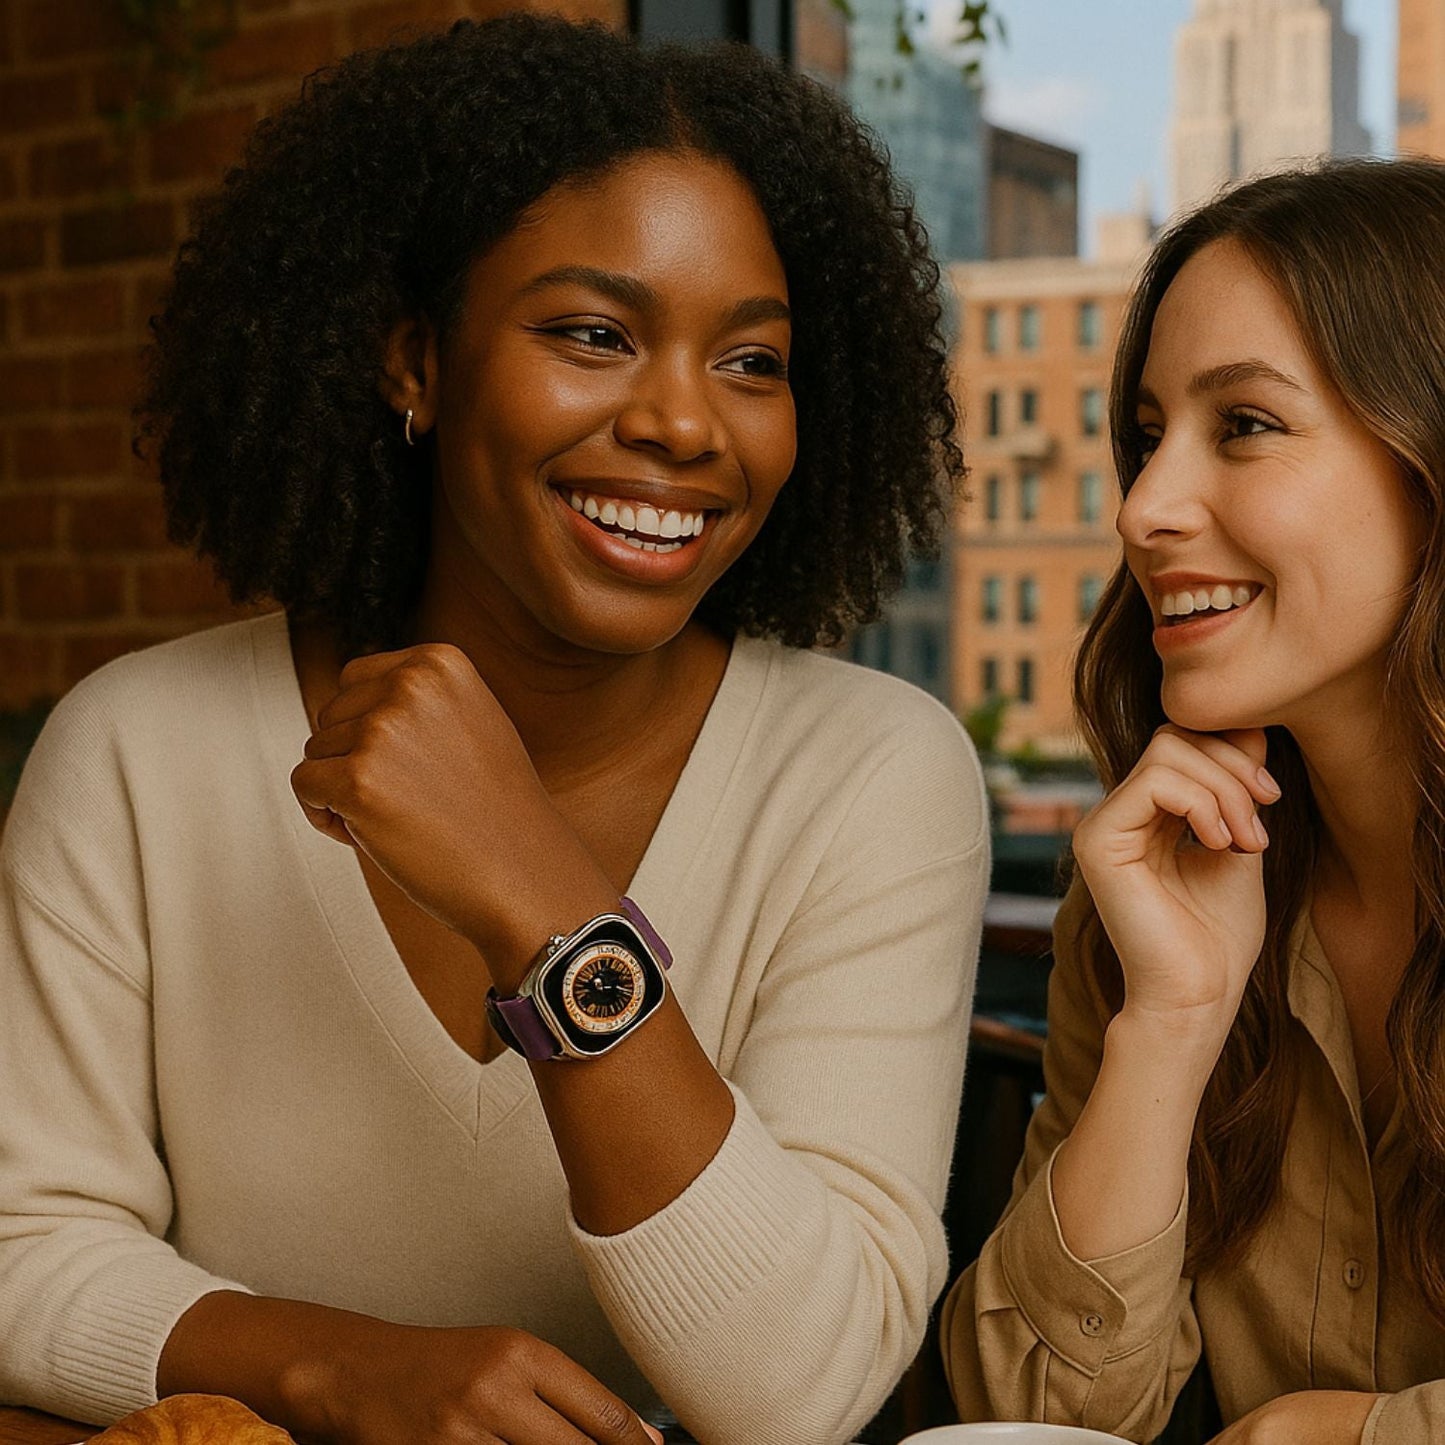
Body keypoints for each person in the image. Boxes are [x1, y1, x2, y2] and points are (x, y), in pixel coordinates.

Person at [0, 15, 989, 1445]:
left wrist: (545, 902)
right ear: (417, 362)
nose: (683, 423)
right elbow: (22, 1245)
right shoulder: (140, 749)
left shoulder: (872, 773)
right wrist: (342, 1368)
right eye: (594, 334)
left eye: (753, 362)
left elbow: (803, 1392)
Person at [943, 158, 1445, 1445]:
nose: (1144, 508)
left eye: (1245, 425)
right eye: (1147, 436)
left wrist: (1323, 1435)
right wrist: (1169, 1022)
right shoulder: (1148, 893)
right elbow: (1027, 1417)